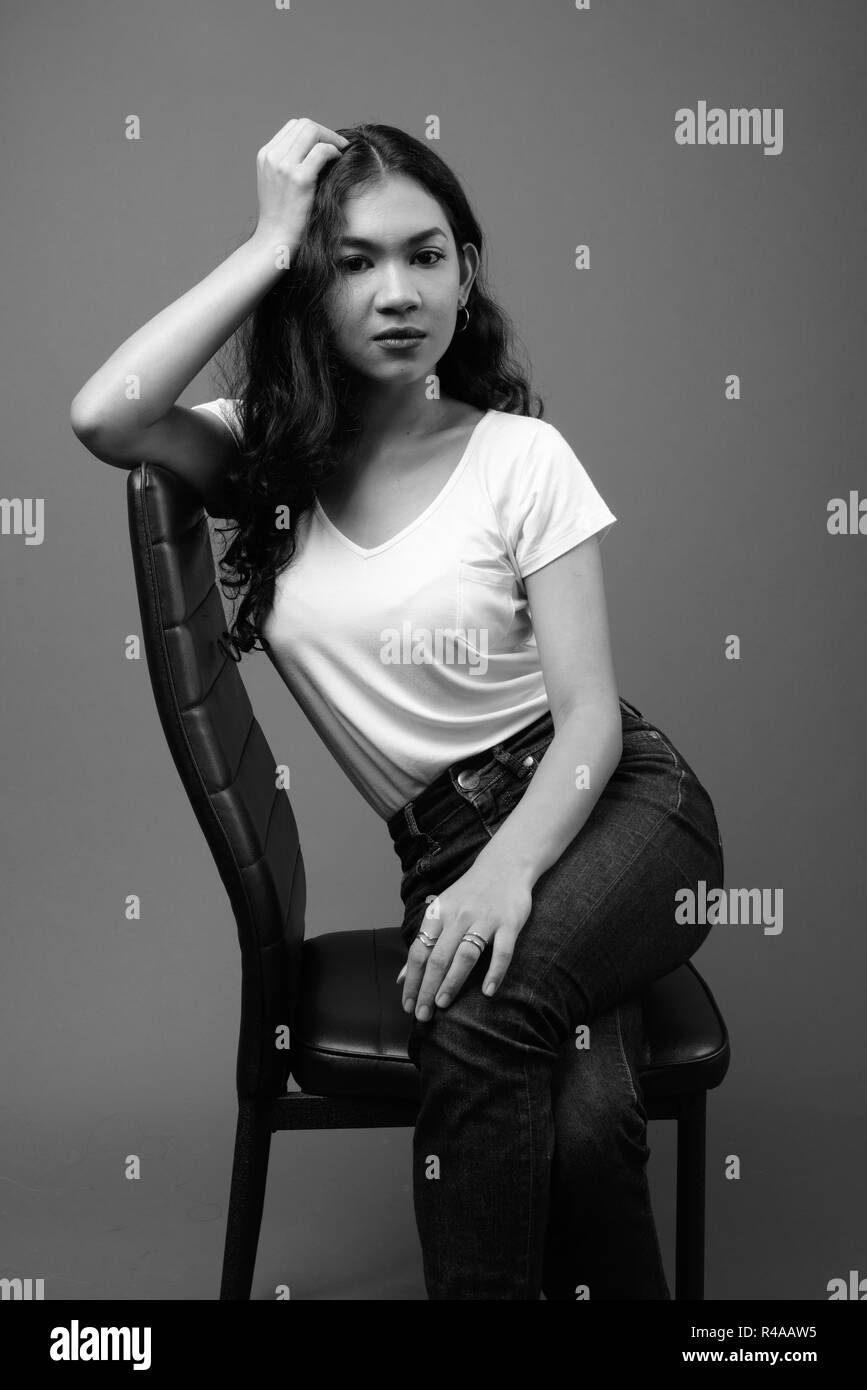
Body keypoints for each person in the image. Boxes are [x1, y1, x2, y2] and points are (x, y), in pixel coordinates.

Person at [70, 117, 724, 1301]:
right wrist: (270, 238)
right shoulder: (264, 459)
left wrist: (505, 878)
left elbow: (589, 724)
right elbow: (105, 415)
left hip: (619, 812)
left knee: (484, 1016)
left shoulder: (521, 456)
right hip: (445, 843)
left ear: (466, 276)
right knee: (581, 1124)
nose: (397, 290)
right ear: (310, 286)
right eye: (354, 261)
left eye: (427, 256)